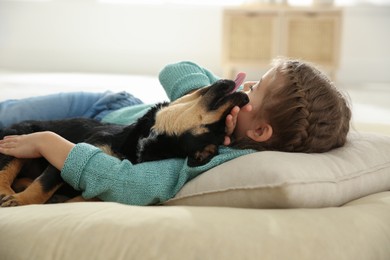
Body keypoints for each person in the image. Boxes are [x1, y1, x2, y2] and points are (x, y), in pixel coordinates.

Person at [0, 58, 351, 206]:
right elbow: (176, 68)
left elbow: (126, 182)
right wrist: (206, 100)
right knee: (10, 111)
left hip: (90, 131)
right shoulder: (217, 110)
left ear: (260, 130)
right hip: (112, 105)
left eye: (256, 89)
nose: (250, 84)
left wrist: (47, 141)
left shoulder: (207, 160)